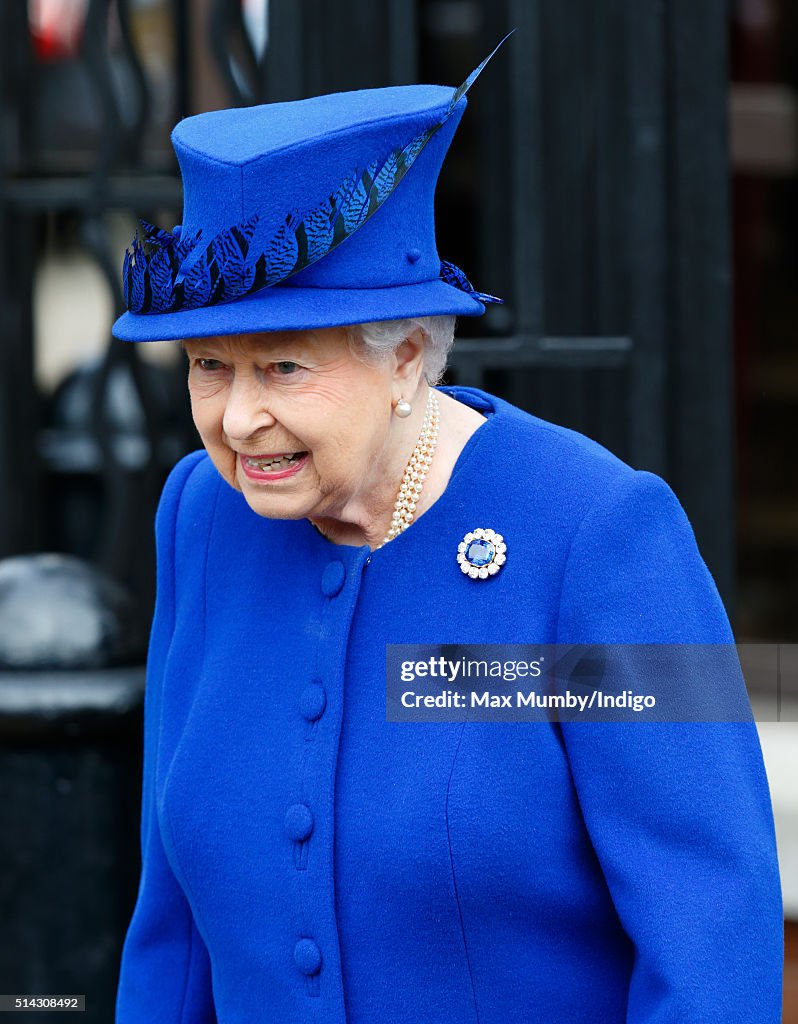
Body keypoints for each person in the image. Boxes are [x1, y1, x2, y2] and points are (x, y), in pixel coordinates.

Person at [112, 43, 783, 1024]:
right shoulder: (201, 515)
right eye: (209, 364)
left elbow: (711, 945)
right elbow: (169, 927)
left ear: (409, 357)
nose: (238, 418)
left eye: (285, 368)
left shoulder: (595, 538)